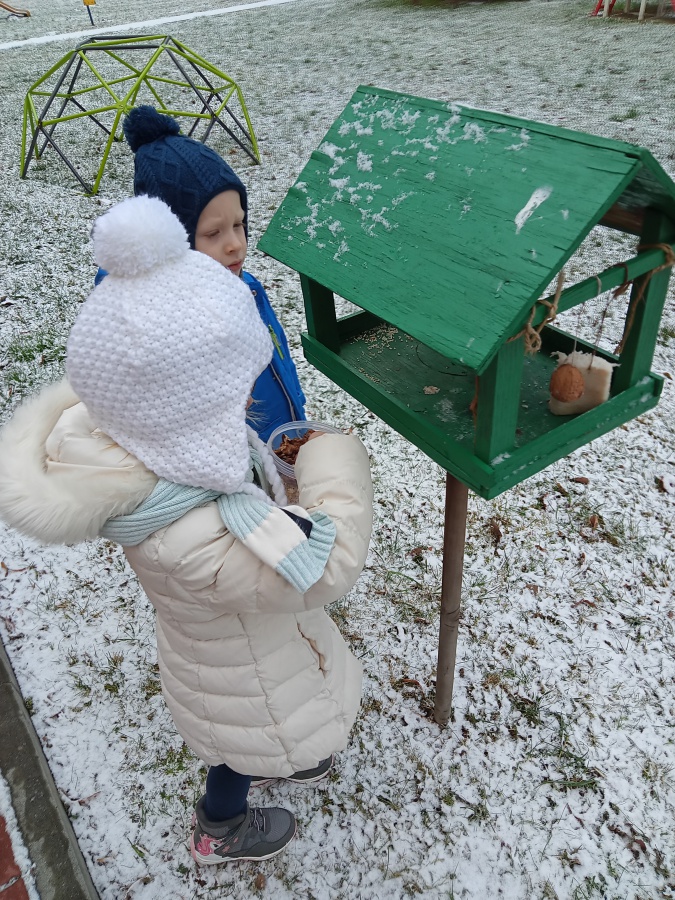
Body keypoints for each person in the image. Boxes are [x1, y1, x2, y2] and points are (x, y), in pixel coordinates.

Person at [0, 196, 373, 865]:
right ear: (181, 410)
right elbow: (327, 564)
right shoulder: (194, 527)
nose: (244, 404)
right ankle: (219, 829)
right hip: (239, 670)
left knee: (259, 722)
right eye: (231, 393)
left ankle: (277, 758)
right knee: (241, 739)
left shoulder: (136, 444)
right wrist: (330, 458)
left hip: (233, 638)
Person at [95, 104, 306, 442]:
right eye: (213, 233)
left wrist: (298, 413)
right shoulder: (162, 327)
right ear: (169, 242)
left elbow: (277, 363)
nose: (235, 244)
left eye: (238, 224)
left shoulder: (246, 286)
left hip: (285, 439)